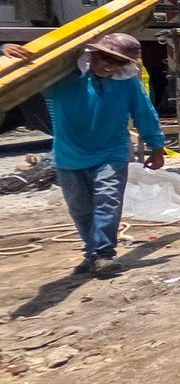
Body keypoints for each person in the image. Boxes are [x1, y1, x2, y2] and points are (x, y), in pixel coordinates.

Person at [2, 32, 167, 275]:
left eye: (119, 62)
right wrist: (7, 49)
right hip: (69, 154)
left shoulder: (127, 82)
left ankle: (103, 253)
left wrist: (156, 146)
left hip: (112, 149)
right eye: (105, 58)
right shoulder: (62, 79)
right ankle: (92, 251)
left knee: (108, 201)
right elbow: (28, 70)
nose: (110, 65)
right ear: (94, 55)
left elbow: (144, 111)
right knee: (80, 208)